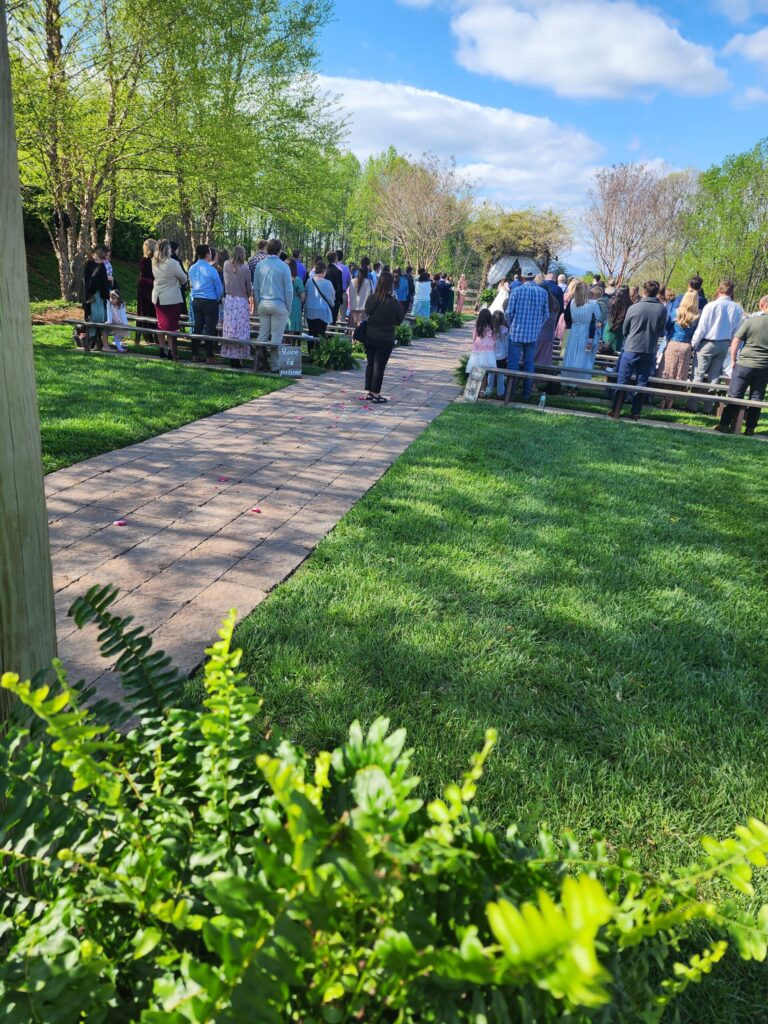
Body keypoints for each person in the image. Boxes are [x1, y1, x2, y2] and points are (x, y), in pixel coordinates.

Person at [611, 280, 668, 419]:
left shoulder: (634, 307)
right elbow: (661, 330)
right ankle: (636, 412)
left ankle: (616, 410)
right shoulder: (662, 309)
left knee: (623, 380)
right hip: (649, 349)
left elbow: (625, 329)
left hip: (631, 347)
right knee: (641, 382)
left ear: (644, 291)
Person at [688, 280, 744, 413]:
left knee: (698, 374)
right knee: (714, 377)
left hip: (707, 342)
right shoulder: (737, 308)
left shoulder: (711, 306)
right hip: (724, 343)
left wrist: (694, 343)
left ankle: (692, 406)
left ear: (719, 291)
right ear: (731, 292)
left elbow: (702, 327)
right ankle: (708, 407)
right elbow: (737, 329)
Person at [716, 295, 768, 435]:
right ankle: (750, 428)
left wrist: (733, 360)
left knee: (735, 395)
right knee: (756, 398)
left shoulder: (751, 321)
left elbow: (736, 341)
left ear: (762, 305)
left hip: (744, 363)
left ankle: (725, 424)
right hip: (764, 367)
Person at [505, 272, 550, 399]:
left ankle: (510, 392)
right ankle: (526, 394)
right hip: (533, 334)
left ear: (523, 277)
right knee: (529, 364)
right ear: (534, 277)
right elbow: (546, 315)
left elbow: (508, 313)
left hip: (516, 333)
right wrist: (537, 327)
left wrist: (511, 325)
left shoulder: (517, 291)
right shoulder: (543, 292)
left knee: (513, 363)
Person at [362, 269, 404, 403]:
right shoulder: (393, 302)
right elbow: (399, 320)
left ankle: (369, 391)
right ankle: (375, 393)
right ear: (391, 285)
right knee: (379, 367)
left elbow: (367, 311)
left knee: (370, 364)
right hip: (385, 338)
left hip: (370, 335)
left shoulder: (372, 298)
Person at [657, 285, 700, 409]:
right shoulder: (697, 317)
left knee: (668, 372)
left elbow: (667, 327)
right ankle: (671, 401)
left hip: (673, 343)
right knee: (679, 373)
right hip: (686, 346)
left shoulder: (675, 312)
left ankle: (663, 400)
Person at [253, 238, 293, 368]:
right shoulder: (284, 267)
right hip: (279, 304)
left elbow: (256, 288)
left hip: (264, 303)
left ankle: (258, 361)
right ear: (280, 251)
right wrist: (288, 306)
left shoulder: (260, 265)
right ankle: (275, 366)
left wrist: (259, 303)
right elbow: (288, 290)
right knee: (276, 337)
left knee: (262, 335)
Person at [151, 239, 188, 359]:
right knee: (172, 326)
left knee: (161, 325)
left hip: (158, 296)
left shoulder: (154, 261)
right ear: (168, 249)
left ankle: (162, 349)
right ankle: (173, 352)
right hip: (171, 298)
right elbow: (184, 278)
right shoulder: (172, 263)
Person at [188, 244, 224, 363]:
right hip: (209, 301)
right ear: (207, 254)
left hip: (196, 300)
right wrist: (217, 299)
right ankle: (209, 356)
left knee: (197, 328)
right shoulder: (211, 270)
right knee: (210, 329)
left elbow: (191, 285)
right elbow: (219, 288)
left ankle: (194, 354)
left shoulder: (192, 268)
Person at [221, 246, 253, 368]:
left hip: (229, 300)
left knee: (230, 329)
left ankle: (231, 356)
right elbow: (249, 288)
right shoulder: (245, 269)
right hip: (240, 301)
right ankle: (238, 357)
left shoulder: (225, 265)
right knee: (241, 330)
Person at [563, 281, 602, 382]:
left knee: (571, 355)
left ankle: (568, 380)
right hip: (586, 332)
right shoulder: (593, 303)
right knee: (582, 358)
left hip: (574, 330)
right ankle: (578, 382)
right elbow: (600, 318)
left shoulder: (572, 302)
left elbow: (567, 317)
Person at [304, 259, 336, 355]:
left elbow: (306, 295)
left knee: (311, 332)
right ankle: (318, 354)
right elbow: (332, 297)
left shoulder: (309, 282)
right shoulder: (328, 283)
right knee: (320, 333)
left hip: (310, 310)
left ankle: (310, 352)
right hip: (322, 311)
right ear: (324, 271)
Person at [83, 246, 110, 351]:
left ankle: (95, 342)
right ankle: (99, 344)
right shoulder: (100, 267)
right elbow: (98, 281)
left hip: (91, 295)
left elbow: (88, 280)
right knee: (101, 319)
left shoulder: (88, 264)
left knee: (93, 318)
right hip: (97, 296)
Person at [535, 277, 562, 368]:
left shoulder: (541, 303)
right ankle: (542, 376)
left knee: (534, 356)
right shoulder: (555, 303)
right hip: (549, 335)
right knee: (544, 358)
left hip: (538, 333)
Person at [466, 307, 496, 384]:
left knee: (476, 372)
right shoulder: (492, 328)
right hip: (488, 355)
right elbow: (494, 340)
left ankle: (474, 389)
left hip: (477, 354)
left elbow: (473, 339)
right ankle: (484, 389)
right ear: (490, 318)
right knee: (487, 373)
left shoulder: (477, 328)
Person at [137, 238, 157, 344]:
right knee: (147, 309)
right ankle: (148, 335)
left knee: (149, 310)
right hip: (148, 286)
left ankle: (151, 335)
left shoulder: (146, 260)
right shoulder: (147, 261)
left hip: (145, 285)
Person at [486, 309, 509, 398]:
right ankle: (501, 392)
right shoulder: (506, 330)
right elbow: (507, 344)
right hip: (502, 356)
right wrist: (507, 354)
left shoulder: (489, 330)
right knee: (501, 375)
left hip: (491, 355)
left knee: (491, 374)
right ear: (503, 320)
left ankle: (488, 391)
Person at [603, 285, 631, 353]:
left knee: (605, 349)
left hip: (609, 325)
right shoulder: (629, 304)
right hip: (620, 328)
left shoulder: (612, 301)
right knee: (616, 351)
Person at [324, 251, 344, 324]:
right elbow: (339, 288)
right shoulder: (338, 272)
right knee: (333, 318)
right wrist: (340, 299)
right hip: (334, 299)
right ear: (336, 259)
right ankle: (331, 334)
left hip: (324, 298)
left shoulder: (325, 271)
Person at [287, 258, 306, 334]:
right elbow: (302, 295)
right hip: (295, 303)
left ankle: (284, 342)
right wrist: (300, 302)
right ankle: (292, 343)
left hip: (286, 302)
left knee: (286, 323)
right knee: (293, 324)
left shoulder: (284, 279)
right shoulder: (298, 280)